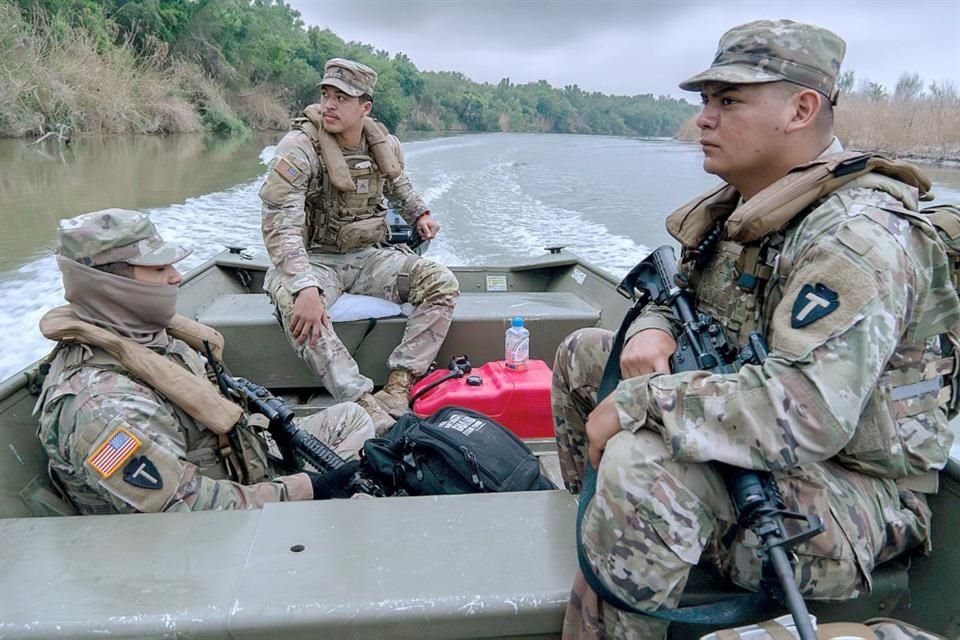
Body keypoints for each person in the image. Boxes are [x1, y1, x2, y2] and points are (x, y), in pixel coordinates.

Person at [551, 19, 960, 639]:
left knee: (642, 459)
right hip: (768, 444)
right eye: (706, 102)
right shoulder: (745, 208)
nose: (704, 120)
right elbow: (681, 296)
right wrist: (650, 331)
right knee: (585, 354)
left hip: (854, 502)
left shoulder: (856, 236)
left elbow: (806, 409)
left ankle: (613, 606)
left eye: (729, 101)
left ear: (801, 108)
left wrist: (642, 402)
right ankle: (603, 542)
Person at [35, 209, 376, 514]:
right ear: (111, 286)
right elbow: (185, 509)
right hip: (205, 530)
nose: (176, 276)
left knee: (352, 418)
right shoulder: (100, 406)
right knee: (364, 504)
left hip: (237, 467)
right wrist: (308, 488)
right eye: (158, 268)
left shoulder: (151, 338)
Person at [259, 57, 460, 432]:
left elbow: (398, 185)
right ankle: (361, 400)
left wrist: (419, 214)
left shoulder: (383, 145)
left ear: (364, 107)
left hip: (368, 257)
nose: (329, 104)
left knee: (441, 282)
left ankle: (400, 386)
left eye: (342, 97)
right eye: (325, 94)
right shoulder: (300, 147)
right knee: (298, 306)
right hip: (314, 259)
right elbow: (279, 223)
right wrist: (304, 286)